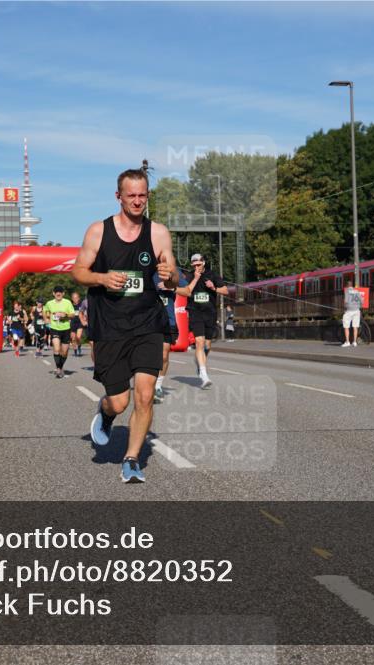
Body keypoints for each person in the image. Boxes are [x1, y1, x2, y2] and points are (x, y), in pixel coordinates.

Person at [72, 168, 177, 483]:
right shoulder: (98, 231)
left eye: (142, 195)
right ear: (118, 196)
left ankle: (131, 459)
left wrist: (168, 273)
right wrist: (102, 278)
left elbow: (172, 275)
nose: (137, 201)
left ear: (148, 195)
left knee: (144, 395)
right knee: (120, 400)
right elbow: (78, 271)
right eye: (130, 195)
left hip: (147, 322)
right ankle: (105, 413)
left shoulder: (158, 232)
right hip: (110, 326)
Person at [178, 253, 227, 389]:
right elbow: (186, 291)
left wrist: (213, 287)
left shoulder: (212, 275)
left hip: (210, 313)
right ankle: (204, 375)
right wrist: (196, 277)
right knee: (199, 342)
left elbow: (225, 290)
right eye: (194, 265)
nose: (197, 267)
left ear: (204, 263)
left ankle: (200, 362)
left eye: (199, 264)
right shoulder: (188, 276)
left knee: (207, 346)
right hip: (195, 312)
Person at [154, 267, 188, 404]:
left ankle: (157, 386)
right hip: (147, 321)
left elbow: (187, 291)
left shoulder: (173, 271)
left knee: (163, 355)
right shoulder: (146, 268)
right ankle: (146, 383)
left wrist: (172, 288)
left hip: (168, 320)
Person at [44, 285, 76, 378]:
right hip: (55, 329)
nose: (58, 293)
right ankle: (58, 369)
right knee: (57, 349)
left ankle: (61, 367)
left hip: (66, 329)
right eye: (56, 292)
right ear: (53, 293)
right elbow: (45, 310)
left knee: (65, 352)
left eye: (60, 292)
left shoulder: (67, 302)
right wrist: (46, 318)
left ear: (63, 293)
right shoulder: (49, 303)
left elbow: (73, 315)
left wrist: (65, 315)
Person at [69, 291, 86, 357]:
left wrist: (84, 318)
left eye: (77, 298)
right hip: (72, 323)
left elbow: (85, 311)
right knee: (73, 338)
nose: (75, 299)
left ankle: (79, 347)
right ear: (72, 299)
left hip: (79, 322)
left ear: (79, 298)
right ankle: (75, 351)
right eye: (74, 298)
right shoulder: (70, 305)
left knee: (78, 337)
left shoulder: (82, 304)